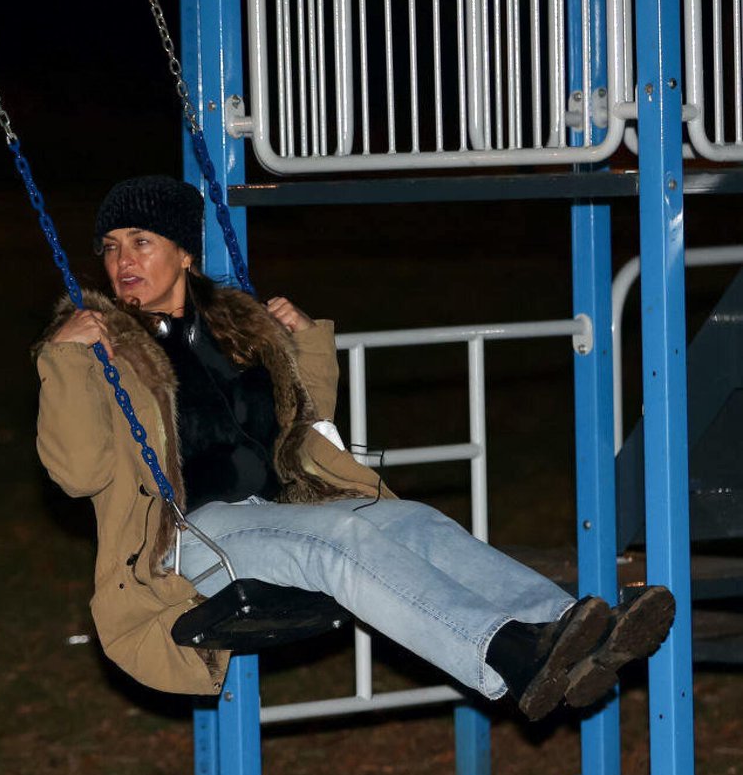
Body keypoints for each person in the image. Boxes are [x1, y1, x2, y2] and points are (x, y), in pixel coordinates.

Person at [34, 175, 674, 717]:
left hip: (278, 511)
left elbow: (304, 426)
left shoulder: (234, 326)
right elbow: (77, 473)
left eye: (142, 243)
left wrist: (306, 342)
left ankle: (572, 632)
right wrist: (63, 361)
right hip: (190, 537)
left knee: (415, 522)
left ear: (185, 253)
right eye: (113, 247)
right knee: (341, 545)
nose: (124, 261)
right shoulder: (99, 350)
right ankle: (510, 656)